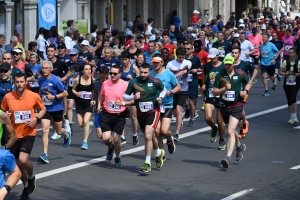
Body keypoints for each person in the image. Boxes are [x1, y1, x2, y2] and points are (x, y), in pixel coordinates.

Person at [1, 72, 46, 199]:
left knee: (23, 160)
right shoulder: (8, 97)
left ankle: (31, 177)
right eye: (17, 82)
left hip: (28, 132)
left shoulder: (33, 95)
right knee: (17, 166)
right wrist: (7, 116)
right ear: (14, 83)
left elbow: (43, 109)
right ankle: (26, 185)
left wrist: (36, 118)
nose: (19, 84)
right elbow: (2, 113)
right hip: (13, 135)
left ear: (26, 82)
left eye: (22, 82)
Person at [123, 63, 166, 173]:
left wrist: (160, 97)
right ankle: (158, 153)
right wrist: (133, 97)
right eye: (141, 72)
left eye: (145, 72)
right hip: (141, 113)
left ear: (149, 72)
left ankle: (147, 163)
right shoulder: (134, 82)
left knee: (147, 135)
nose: (143, 74)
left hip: (153, 111)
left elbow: (164, 90)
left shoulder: (155, 81)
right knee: (150, 136)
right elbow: (125, 96)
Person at [213, 55, 252, 168]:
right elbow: (215, 92)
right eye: (226, 64)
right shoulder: (220, 75)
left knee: (230, 131)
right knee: (231, 129)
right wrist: (224, 89)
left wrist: (245, 91)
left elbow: (249, 83)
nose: (228, 66)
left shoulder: (240, 73)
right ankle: (239, 147)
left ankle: (227, 158)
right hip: (224, 106)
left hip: (237, 105)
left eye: (230, 64)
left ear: (234, 63)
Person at [38, 61, 71, 164]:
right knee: (45, 130)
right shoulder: (40, 80)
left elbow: (65, 93)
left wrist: (54, 97)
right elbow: (40, 92)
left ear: (51, 69)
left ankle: (66, 135)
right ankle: (45, 154)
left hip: (56, 108)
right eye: (42, 68)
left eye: (46, 68)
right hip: (45, 109)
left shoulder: (56, 80)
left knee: (59, 131)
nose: (44, 70)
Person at [97, 65, 131, 167]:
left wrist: (123, 103)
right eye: (111, 73)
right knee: (106, 138)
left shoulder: (125, 85)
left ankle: (117, 157)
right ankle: (110, 147)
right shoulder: (105, 83)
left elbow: (132, 99)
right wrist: (99, 104)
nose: (112, 75)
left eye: (115, 74)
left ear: (120, 74)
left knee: (117, 139)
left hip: (120, 115)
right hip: (107, 114)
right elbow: (101, 95)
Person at [151, 54, 181, 160]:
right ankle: (161, 153)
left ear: (162, 63)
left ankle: (169, 138)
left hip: (167, 105)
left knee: (164, 131)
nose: (155, 64)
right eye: (153, 62)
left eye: (157, 62)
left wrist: (171, 91)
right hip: (155, 106)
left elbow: (178, 86)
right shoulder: (150, 75)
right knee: (157, 131)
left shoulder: (169, 74)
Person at [201, 48, 226, 150]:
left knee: (220, 120)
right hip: (210, 94)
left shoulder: (223, 66)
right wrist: (203, 85)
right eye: (210, 58)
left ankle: (222, 139)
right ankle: (213, 128)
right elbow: (204, 77)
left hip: (221, 95)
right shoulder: (207, 66)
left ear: (218, 55)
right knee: (208, 117)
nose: (211, 59)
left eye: (213, 57)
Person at [231, 46, 257, 138]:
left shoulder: (244, 64)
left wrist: (250, 81)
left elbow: (255, 70)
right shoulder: (229, 64)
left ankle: (244, 122)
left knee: (239, 108)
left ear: (239, 54)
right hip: (232, 91)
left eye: (236, 53)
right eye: (233, 52)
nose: (234, 54)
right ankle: (242, 125)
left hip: (242, 90)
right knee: (234, 111)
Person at [166, 47, 191, 141]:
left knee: (178, 110)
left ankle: (176, 133)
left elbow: (185, 71)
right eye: (180, 57)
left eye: (183, 57)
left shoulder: (187, 62)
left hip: (183, 89)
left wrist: (174, 76)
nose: (181, 59)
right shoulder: (170, 64)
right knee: (173, 111)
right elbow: (167, 74)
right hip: (172, 90)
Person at [72, 64, 94, 149]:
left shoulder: (92, 79)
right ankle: (89, 124)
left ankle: (85, 142)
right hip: (80, 103)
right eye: (86, 69)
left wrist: (93, 99)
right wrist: (77, 93)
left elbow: (93, 91)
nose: (88, 71)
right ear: (83, 71)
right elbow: (73, 89)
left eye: (90, 69)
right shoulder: (78, 79)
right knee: (80, 124)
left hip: (88, 104)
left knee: (85, 121)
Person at [120, 51, 139, 145]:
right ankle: (122, 136)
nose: (124, 61)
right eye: (123, 59)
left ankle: (135, 134)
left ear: (129, 59)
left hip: (132, 94)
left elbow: (140, 82)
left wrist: (132, 79)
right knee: (120, 115)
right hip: (122, 94)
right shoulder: (120, 68)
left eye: (126, 59)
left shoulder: (134, 68)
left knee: (133, 116)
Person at [279, 48, 300, 124]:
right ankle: (291, 117)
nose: (291, 55)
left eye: (292, 53)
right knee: (289, 99)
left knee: (293, 97)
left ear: (295, 54)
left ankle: (295, 116)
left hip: (296, 82)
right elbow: (280, 71)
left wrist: (298, 74)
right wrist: (285, 74)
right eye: (289, 53)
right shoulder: (286, 62)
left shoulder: (298, 62)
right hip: (287, 82)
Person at [184, 42, 201, 126]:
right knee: (183, 101)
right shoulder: (182, 58)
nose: (186, 50)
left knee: (191, 102)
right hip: (183, 83)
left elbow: (200, 68)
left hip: (193, 82)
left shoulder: (196, 58)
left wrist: (196, 70)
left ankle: (192, 118)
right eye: (185, 48)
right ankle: (187, 108)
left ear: (192, 49)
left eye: (188, 49)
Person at [93, 66, 109, 141]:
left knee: (107, 134)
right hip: (98, 111)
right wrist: (92, 101)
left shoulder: (111, 83)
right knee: (99, 135)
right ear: (99, 74)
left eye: (106, 77)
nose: (105, 80)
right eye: (103, 77)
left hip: (109, 112)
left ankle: (111, 145)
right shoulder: (95, 83)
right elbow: (93, 96)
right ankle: (111, 143)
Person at [193, 40, 209, 111]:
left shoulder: (205, 54)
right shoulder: (192, 53)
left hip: (202, 75)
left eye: (197, 47)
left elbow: (208, 64)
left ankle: (204, 101)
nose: (196, 48)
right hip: (194, 75)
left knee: (203, 89)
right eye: (195, 47)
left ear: (201, 46)